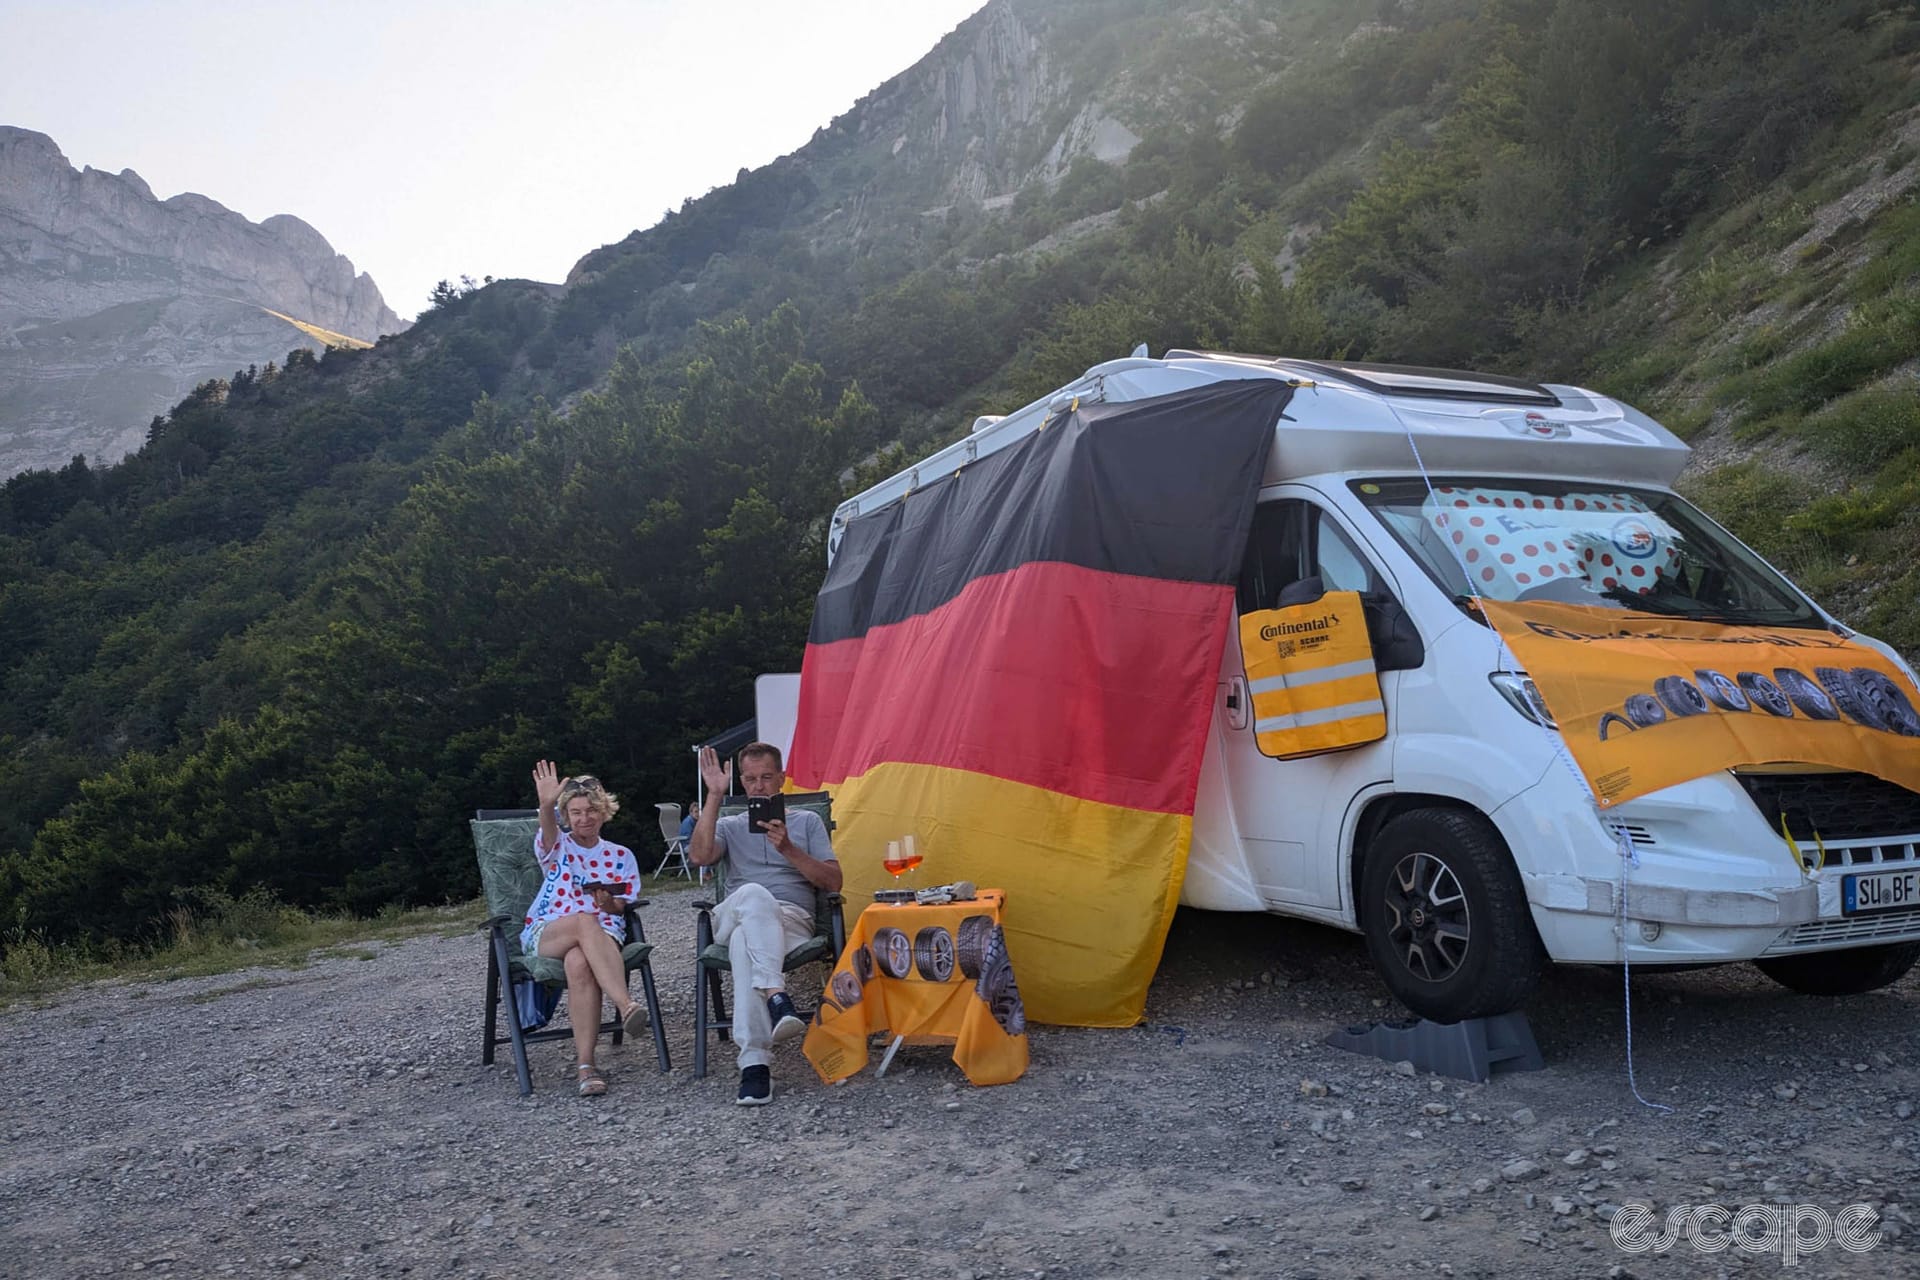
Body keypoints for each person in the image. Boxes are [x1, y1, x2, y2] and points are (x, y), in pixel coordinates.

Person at [689, 742, 841, 1105]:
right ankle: (776, 994)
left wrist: (789, 848)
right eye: (751, 779)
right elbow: (698, 856)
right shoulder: (728, 824)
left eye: (766, 778)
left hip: (789, 921)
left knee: (745, 946)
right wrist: (713, 796)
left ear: (782, 779)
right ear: (741, 782)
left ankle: (755, 1066)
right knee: (754, 894)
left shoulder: (806, 822)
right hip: (736, 911)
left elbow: (833, 883)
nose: (758, 787)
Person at [524, 761, 651, 1097]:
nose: (584, 818)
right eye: (576, 812)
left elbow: (620, 907)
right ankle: (627, 1006)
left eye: (591, 810)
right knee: (583, 918)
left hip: (601, 933)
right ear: (566, 815)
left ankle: (586, 1066)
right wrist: (546, 804)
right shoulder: (558, 847)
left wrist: (607, 901)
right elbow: (548, 833)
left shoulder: (621, 855)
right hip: (550, 930)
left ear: (603, 811)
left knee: (579, 962)